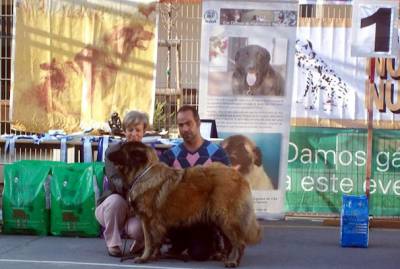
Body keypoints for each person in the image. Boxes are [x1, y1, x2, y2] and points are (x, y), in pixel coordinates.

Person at [159, 105, 231, 261]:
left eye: (188, 123)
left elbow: (227, 190)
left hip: (204, 218)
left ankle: (215, 241)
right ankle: (176, 243)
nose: (185, 129)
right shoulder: (170, 156)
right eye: (180, 125)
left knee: (199, 255)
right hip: (177, 217)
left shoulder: (218, 154)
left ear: (198, 123)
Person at [95, 110, 149, 257]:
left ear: (144, 132)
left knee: (139, 228)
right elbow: (115, 180)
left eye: (138, 130)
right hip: (114, 203)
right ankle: (113, 244)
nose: (134, 134)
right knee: (116, 201)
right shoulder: (112, 152)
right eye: (130, 130)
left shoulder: (149, 154)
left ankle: (141, 244)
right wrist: (134, 184)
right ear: (124, 131)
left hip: (136, 208)